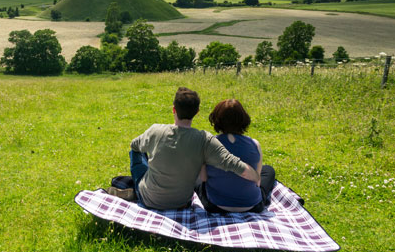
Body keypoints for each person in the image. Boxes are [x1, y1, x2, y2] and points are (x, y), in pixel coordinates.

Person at [107, 87, 261, 210]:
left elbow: (134, 145)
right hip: (182, 203)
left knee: (137, 153)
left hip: (149, 199)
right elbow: (234, 164)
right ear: (197, 112)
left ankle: (135, 187)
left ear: (174, 109)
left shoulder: (155, 131)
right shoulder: (204, 139)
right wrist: (256, 177)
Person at [194, 99, 276, 213]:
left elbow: (203, 178)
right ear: (243, 119)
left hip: (216, 206)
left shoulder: (208, 145)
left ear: (216, 120)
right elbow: (257, 180)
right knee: (268, 170)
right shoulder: (255, 144)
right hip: (252, 206)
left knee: (195, 174)